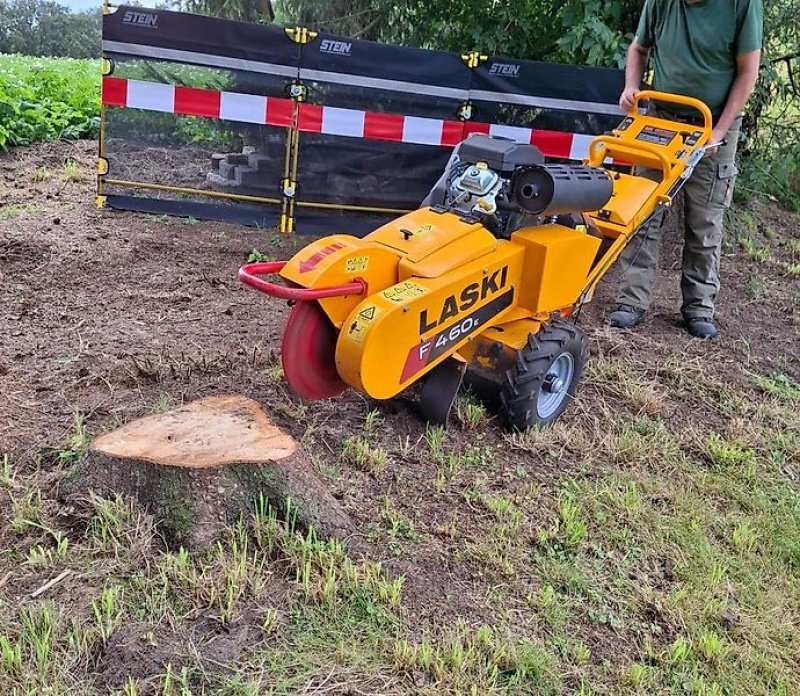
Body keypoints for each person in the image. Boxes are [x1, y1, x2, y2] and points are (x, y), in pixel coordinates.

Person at [608, 0, 763, 339]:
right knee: (642, 209)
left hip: (714, 121)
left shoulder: (742, 4)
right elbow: (638, 47)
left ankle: (699, 306)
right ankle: (632, 301)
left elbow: (748, 71)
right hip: (662, 118)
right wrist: (631, 87)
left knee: (704, 219)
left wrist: (719, 132)